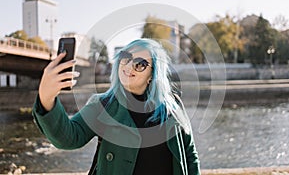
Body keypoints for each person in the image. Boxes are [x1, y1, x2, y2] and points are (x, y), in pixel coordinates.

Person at [32, 38, 201, 175]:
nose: (128, 67)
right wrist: (46, 97)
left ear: (153, 74)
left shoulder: (173, 105)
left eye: (140, 64)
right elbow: (68, 138)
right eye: (125, 57)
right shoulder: (103, 105)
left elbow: (189, 155)